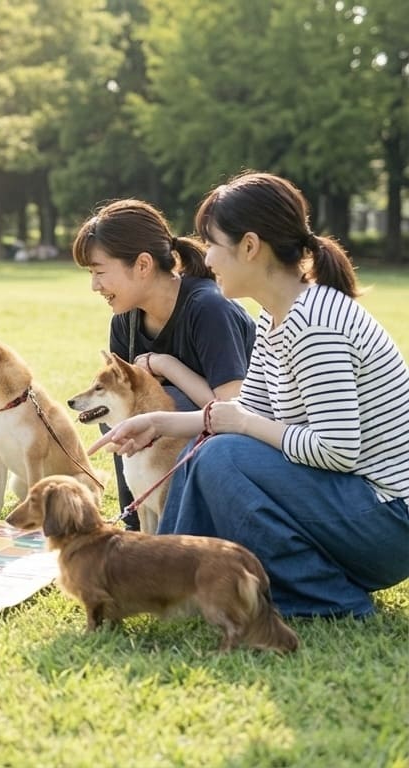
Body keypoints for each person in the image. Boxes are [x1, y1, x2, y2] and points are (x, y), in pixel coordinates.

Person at [92, 171, 409, 618]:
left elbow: (337, 448)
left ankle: (330, 599)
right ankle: (172, 578)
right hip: (354, 508)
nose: (205, 258)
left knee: (223, 456)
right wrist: (161, 424)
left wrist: (240, 425)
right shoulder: (277, 317)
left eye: (212, 244)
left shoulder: (316, 324)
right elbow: (245, 409)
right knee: (211, 450)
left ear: (249, 246)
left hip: (387, 523)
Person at [72, 199, 256, 529]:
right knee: (115, 409)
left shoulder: (210, 309)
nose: (94, 286)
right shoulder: (125, 323)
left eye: (99, 272)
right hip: (175, 449)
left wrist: (167, 365)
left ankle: (182, 526)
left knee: (167, 407)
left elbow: (236, 410)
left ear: (142, 265)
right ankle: (138, 521)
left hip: (245, 449)